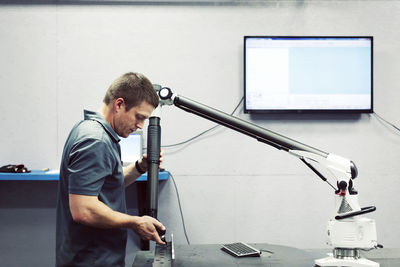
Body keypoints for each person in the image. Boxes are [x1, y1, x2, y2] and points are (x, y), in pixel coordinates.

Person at [56, 72, 165, 267]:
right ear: (119, 104)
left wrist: (140, 167)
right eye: (139, 117)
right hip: (91, 260)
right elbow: (84, 210)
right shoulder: (95, 140)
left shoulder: (96, 132)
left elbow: (107, 186)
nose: (140, 125)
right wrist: (135, 222)